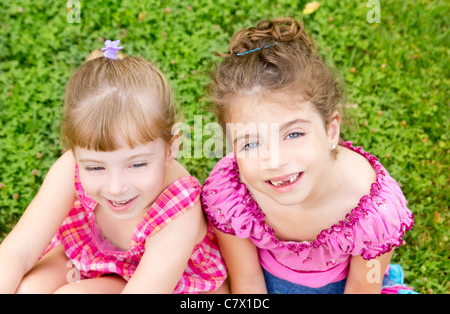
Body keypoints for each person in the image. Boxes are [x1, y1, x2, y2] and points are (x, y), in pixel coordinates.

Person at [201, 18, 415, 294]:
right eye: (250, 144)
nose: (274, 161)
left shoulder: (371, 208)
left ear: (331, 130)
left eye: (293, 135)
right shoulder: (232, 194)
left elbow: (362, 289)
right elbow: (247, 284)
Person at [0, 40, 227, 294]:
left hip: (163, 283)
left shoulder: (179, 209)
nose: (116, 188)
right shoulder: (71, 168)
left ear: (171, 148)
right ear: (75, 153)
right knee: (30, 288)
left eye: (137, 164)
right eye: (96, 168)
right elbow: (17, 252)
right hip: (93, 257)